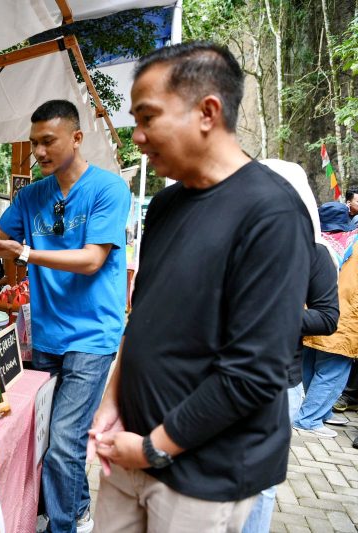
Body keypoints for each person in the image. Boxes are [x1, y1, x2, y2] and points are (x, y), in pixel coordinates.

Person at [88, 42, 312, 532]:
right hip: (130, 447)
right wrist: (112, 403)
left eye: (147, 118)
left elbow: (254, 372)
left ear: (208, 111)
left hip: (201, 472)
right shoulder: (167, 205)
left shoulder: (271, 214)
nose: (139, 137)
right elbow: (141, 318)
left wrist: (154, 449)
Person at [0, 99, 130, 533]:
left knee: (62, 442)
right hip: (46, 334)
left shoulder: (108, 190)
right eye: (34, 142)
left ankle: (63, 526)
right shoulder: (31, 195)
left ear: (76, 139)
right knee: (48, 436)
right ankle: (76, 512)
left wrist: (23, 251)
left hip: (93, 335)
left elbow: (93, 259)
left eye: (48, 141)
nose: (39, 151)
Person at [240, 160, 339, 533]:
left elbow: (328, 317)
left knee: (261, 483)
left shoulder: (315, 255)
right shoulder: (239, 247)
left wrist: (272, 312)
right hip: (222, 375)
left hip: (279, 383)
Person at [294, 202, 358, 438]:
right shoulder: (353, 241)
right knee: (334, 370)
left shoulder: (318, 241)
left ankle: (317, 411)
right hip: (344, 315)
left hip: (313, 310)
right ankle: (309, 418)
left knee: (312, 362)